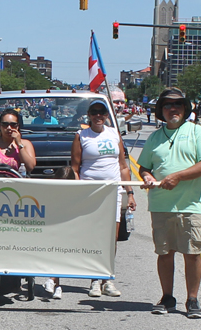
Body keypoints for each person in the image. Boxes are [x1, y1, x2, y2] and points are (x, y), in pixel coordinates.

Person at [138, 87, 201, 319]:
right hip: (161, 205)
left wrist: (178, 176)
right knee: (165, 253)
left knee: (192, 253)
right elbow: (144, 166)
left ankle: (192, 299)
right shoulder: (154, 137)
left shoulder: (196, 132)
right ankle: (167, 297)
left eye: (178, 104)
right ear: (161, 111)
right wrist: (147, 176)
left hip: (190, 206)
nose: (173, 108)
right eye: (168, 105)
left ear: (185, 109)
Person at [71, 99, 136, 298]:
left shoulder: (114, 134)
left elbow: (123, 166)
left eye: (102, 112)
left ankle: (107, 278)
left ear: (107, 115)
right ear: (89, 115)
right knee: (94, 236)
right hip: (91, 192)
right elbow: (75, 168)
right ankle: (94, 280)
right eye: (94, 112)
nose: (98, 116)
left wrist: (130, 192)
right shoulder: (81, 135)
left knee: (111, 237)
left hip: (113, 191)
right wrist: (77, 190)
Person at [43, 166, 76, 300]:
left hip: (67, 227)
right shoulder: (50, 191)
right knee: (54, 253)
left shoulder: (76, 193)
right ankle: (56, 284)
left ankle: (54, 282)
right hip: (52, 226)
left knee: (60, 253)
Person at [0, 108, 36, 174]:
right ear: (0, 126)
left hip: (17, 183)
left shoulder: (26, 144)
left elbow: (30, 167)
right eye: (5, 124)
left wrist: (19, 144)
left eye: (13, 125)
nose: (9, 128)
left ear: (17, 126)